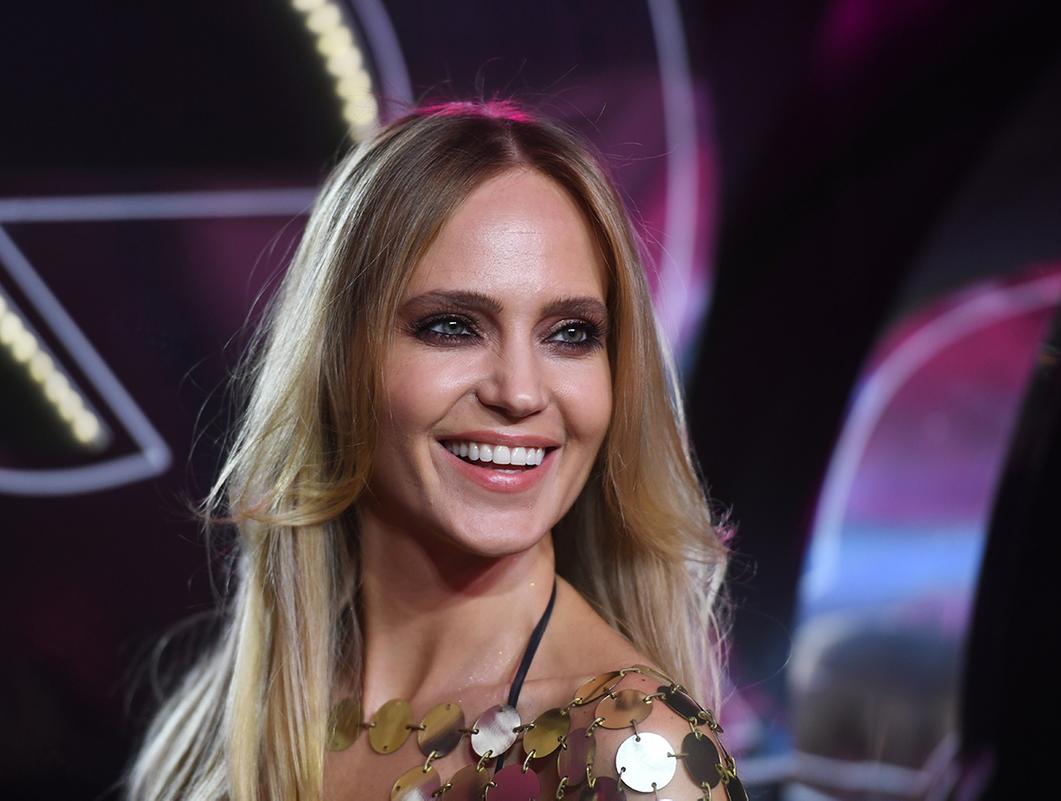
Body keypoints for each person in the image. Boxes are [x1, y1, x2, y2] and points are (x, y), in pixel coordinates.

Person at [127, 101, 738, 801]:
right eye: (452, 326)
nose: (519, 392)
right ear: (339, 359)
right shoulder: (223, 719)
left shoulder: (637, 753)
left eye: (570, 334)